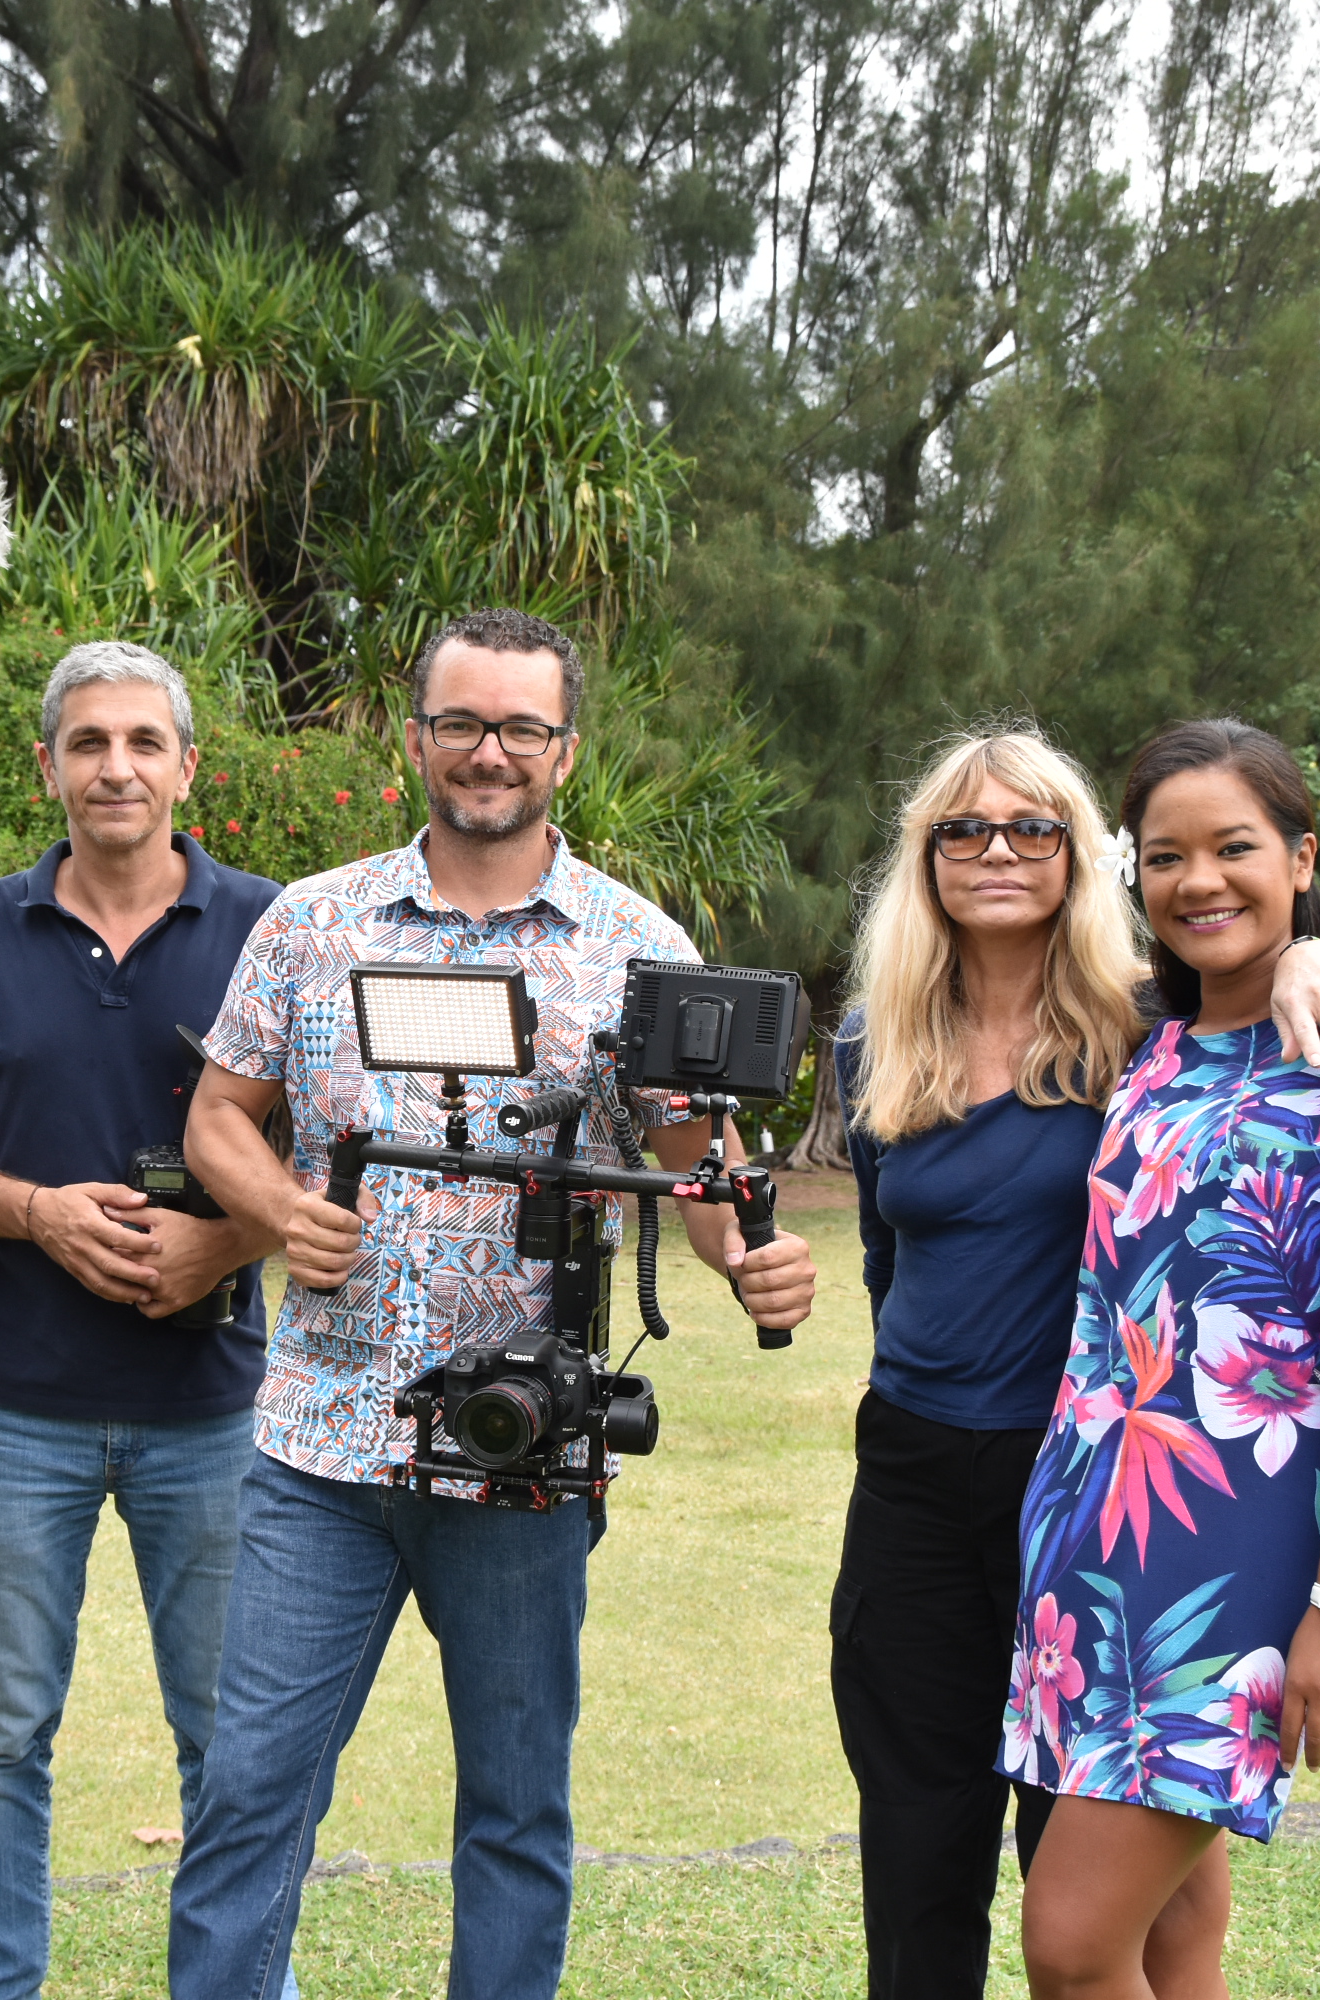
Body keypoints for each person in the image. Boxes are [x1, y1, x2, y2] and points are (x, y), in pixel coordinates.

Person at [166, 607, 822, 2000]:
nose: (489, 752)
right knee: (246, 1806)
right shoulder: (313, 921)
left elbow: (694, 1154)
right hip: (319, 1445)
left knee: (517, 1821)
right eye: (461, 722)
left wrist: (743, 1253)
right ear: (416, 738)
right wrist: (281, 1213)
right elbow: (221, 1113)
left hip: (520, 1453)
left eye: (521, 726)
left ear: (564, 753)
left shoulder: (636, 947)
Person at [831, 725, 1320, 2000]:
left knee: (1078, 1930)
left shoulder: (1171, 1026)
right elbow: (891, 1263)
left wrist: (1312, 937)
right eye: (964, 829)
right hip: (1044, 1502)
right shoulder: (1144, 1053)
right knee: (1117, 1919)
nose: (996, 851)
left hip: (1194, 1520)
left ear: (1078, 859)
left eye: (1033, 827)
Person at [999, 718, 1320, 2000]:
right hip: (1088, 1534)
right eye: (1166, 856)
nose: (1200, 880)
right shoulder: (1148, 1052)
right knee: (1169, 1934)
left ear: (1300, 855)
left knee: (1066, 1939)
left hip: (1240, 1548)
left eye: (1237, 848)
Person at [0, 642, 285, 2000]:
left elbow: (345, 1151)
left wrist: (228, 1238)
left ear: (187, 765)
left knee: (231, 1742)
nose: (114, 766)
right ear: (51, 767)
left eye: (141, 741)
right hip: (17, 1409)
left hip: (218, 1412)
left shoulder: (270, 927)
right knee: (6, 1732)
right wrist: (37, 1213)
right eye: (87, 743)